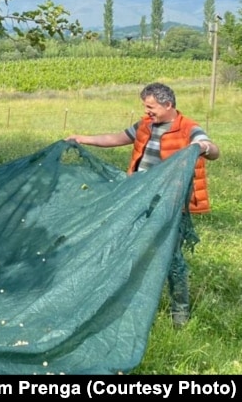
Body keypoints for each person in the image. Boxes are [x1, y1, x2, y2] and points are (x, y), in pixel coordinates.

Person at [67, 82, 219, 328]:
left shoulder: (188, 128)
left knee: (171, 257)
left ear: (168, 104)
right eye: (145, 106)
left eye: (151, 107)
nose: (147, 111)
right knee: (126, 245)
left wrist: (202, 146)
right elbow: (117, 137)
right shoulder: (145, 125)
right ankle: (123, 302)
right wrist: (82, 138)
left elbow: (213, 150)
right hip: (139, 197)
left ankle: (179, 311)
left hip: (171, 204)